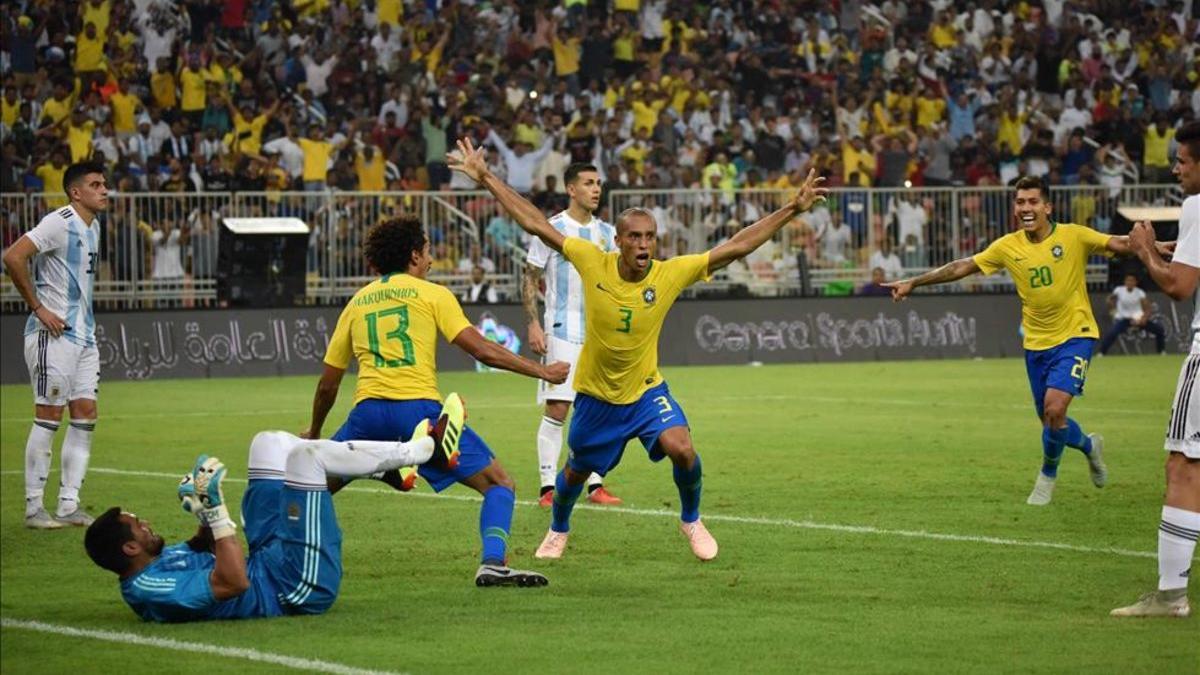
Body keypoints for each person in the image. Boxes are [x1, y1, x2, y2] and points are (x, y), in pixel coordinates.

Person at [450, 136, 828, 561]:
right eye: (635, 237)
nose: (643, 244)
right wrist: (485, 177)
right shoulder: (593, 260)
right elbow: (536, 223)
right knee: (574, 473)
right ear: (620, 241)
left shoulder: (669, 274)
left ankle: (691, 518)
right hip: (596, 397)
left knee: (682, 449)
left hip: (646, 391)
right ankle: (558, 527)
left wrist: (792, 209)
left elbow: (736, 246)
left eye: (650, 236)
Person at [302, 216, 569, 587]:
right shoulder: (433, 295)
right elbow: (483, 350)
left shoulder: (357, 302)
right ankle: (493, 562)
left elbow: (328, 385)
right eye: (427, 252)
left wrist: (314, 430)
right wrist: (543, 372)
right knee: (499, 485)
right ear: (413, 256)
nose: (431, 261)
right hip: (420, 417)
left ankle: (277, 553)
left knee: (309, 486)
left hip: (366, 416)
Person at [884, 175, 1168, 506]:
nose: (1026, 208)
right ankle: (1090, 447)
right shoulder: (1007, 246)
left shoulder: (1073, 236)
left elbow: (1118, 243)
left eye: (1033, 202)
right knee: (1052, 421)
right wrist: (914, 282)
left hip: (1076, 335)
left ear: (1048, 206)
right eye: (1020, 202)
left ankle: (1047, 476)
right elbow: (963, 266)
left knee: (1054, 408)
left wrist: (1150, 247)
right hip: (1036, 344)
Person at [83, 404, 471, 622]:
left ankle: (387, 468)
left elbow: (203, 549)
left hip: (269, 557)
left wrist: (202, 512)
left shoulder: (156, 560)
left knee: (267, 443)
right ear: (131, 549)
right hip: (294, 586)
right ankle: (420, 451)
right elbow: (233, 582)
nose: (146, 524)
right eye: (138, 526)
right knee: (306, 456)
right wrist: (218, 513)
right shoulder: (148, 589)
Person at [1112, 120, 1200, 618]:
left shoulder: (1197, 207)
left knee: (1183, 465)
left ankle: (1170, 596)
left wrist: (1144, 248)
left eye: (1183, 160)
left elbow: (1180, 287)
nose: (1176, 168)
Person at [2, 160, 108, 529]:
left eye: (104, 184)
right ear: (75, 192)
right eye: (95, 185)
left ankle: (68, 504)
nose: (104, 190)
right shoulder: (59, 221)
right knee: (48, 416)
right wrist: (38, 307)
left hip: (84, 335)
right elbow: (13, 256)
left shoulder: (92, 228)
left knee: (85, 415)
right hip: (54, 334)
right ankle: (34, 508)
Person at [524, 162, 623, 508]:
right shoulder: (552, 230)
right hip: (562, 330)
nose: (596, 189)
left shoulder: (609, 234)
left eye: (598, 183)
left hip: (598, 335)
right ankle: (548, 487)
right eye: (588, 183)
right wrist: (533, 324)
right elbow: (530, 276)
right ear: (571, 189)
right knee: (558, 407)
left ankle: (595, 483)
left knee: (599, 409)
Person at [1099, 274, 1167, 355]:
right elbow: (1110, 300)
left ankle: (1161, 351)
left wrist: (1143, 319)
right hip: (1124, 319)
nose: (1130, 282)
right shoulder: (1119, 290)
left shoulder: (1140, 292)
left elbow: (1148, 307)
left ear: (1135, 282)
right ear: (1125, 282)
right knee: (1112, 333)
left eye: (1132, 280)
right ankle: (1101, 353)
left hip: (1138, 319)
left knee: (1159, 330)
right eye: (1128, 280)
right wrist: (1113, 311)